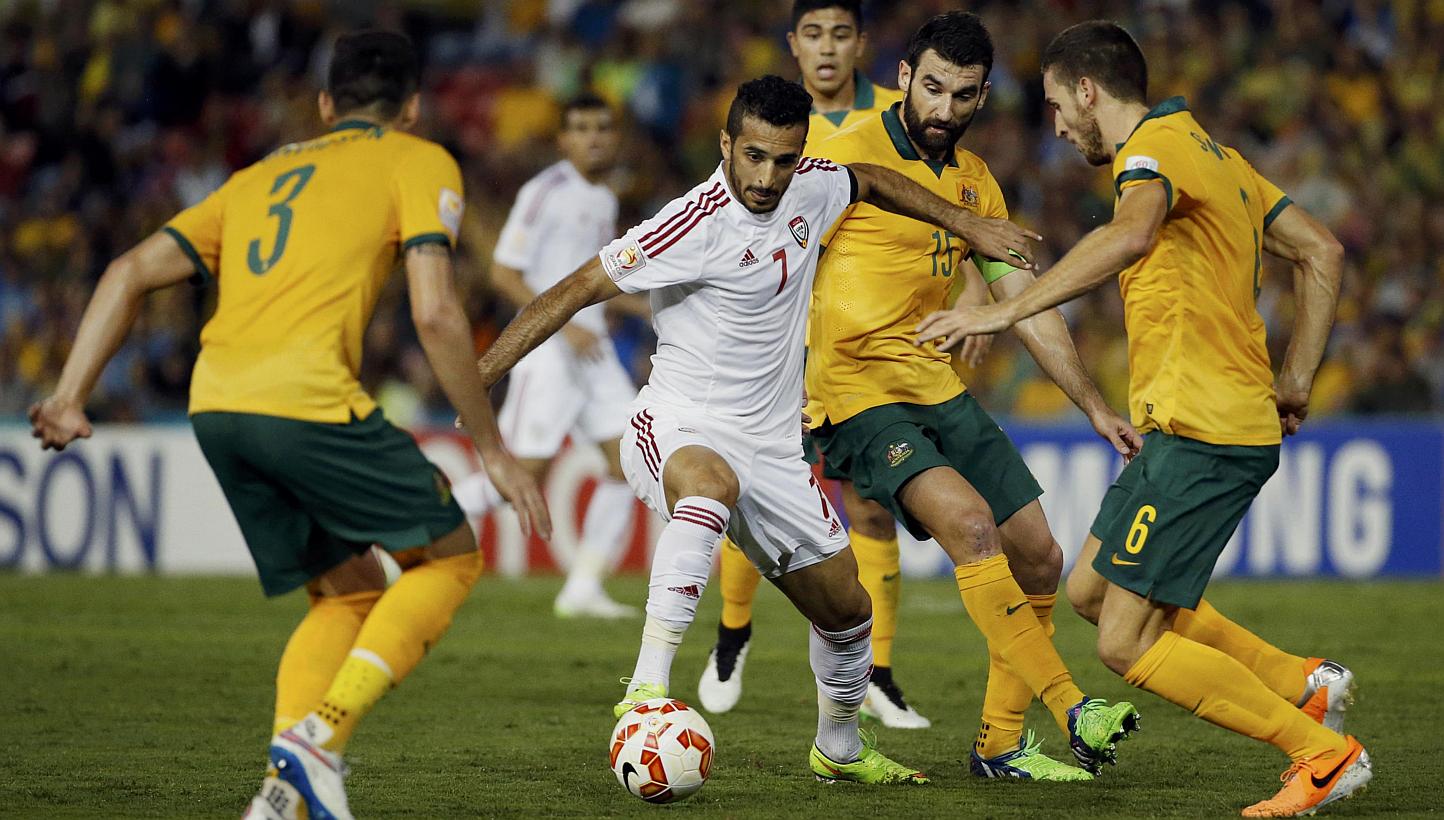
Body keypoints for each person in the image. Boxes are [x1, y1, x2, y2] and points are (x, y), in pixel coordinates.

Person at [28, 30, 549, 820]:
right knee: (446, 559)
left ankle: (282, 795)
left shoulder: (255, 176)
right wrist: (495, 451)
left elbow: (126, 271)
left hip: (216, 408)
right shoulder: (416, 158)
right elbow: (437, 312)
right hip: (302, 401)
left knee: (345, 595)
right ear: (410, 107)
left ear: (325, 104)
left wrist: (70, 396)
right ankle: (321, 738)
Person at [473, 74, 1037, 785]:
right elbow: (571, 290)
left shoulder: (812, 185)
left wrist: (967, 224)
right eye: (754, 157)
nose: (768, 177)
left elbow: (866, 178)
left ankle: (838, 747)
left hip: (773, 446)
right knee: (709, 486)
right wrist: (478, 379)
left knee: (847, 609)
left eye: (784, 158)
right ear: (726, 145)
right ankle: (645, 689)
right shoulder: (691, 223)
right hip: (679, 424)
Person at [917, 20, 1369, 816]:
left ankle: (1322, 755)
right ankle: (1303, 685)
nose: (1056, 126)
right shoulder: (1220, 157)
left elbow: (1131, 235)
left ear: (1089, 91)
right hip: (1194, 427)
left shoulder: (1151, 152)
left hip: (1205, 433)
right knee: (1090, 588)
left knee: (1123, 642)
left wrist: (1002, 312)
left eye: (1059, 106)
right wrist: (1295, 378)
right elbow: (1321, 251)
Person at [797, 11, 1143, 782]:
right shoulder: (839, 161)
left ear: (983, 96)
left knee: (1042, 558)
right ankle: (1073, 707)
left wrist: (1091, 402)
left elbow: (1026, 300)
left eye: (962, 94)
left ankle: (999, 743)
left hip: (935, 389)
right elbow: (772, 270)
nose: (943, 110)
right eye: (931, 88)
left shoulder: (975, 181)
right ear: (902, 80)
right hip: (854, 392)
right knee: (971, 527)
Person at [700, 0, 948, 731]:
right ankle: (732, 634)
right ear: (795, 45)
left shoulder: (894, 121)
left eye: (842, 34)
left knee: (871, 502)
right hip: (778, 339)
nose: (828, 48)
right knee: (747, 483)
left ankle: (880, 674)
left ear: (862, 44)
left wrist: (960, 299)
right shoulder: (771, 128)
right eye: (814, 34)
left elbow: (931, 210)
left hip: (863, 342)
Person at [450, 93, 641, 619]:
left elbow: (594, 282)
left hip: (593, 350)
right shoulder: (544, 191)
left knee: (629, 462)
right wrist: (563, 327)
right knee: (522, 475)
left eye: (602, 127)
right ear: (562, 139)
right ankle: (410, 525)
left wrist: (647, 308)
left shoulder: (603, 196)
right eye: (580, 128)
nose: (593, 137)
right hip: (550, 353)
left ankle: (582, 587)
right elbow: (504, 273)